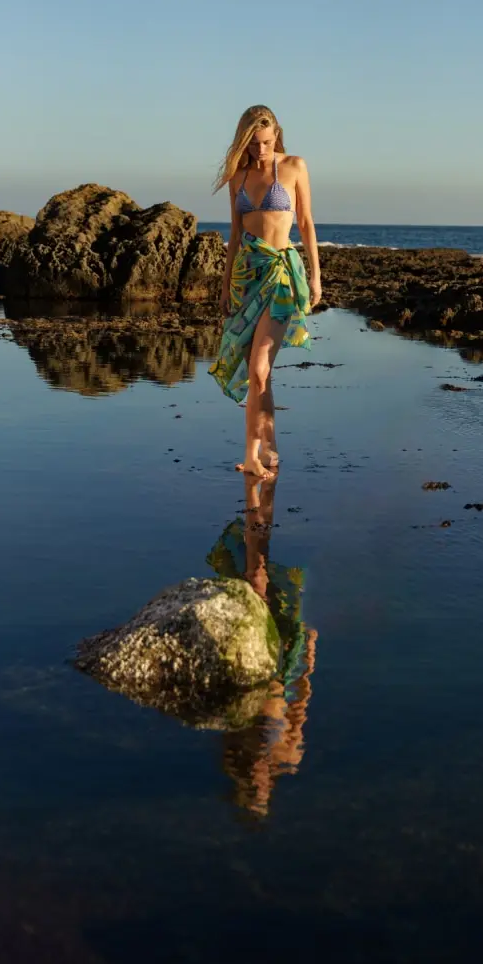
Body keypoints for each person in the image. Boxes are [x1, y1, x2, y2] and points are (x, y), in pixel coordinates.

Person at [208, 105, 322, 478]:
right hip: (247, 276)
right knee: (262, 375)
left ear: (277, 135)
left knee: (258, 369)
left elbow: (305, 223)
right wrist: (225, 287)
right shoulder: (237, 177)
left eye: (267, 142)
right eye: (254, 143)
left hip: (281, 277)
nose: (261, 150)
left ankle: (252, 456)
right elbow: (235, 236)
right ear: (244, 140)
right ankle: (270, 447)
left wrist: (317, 277)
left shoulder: (294, 167)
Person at [206, 473, 318, 819]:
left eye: (255, 790)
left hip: (260, 673)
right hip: (277, 672)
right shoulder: (288, 756)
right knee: (268, 596)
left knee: (260, 593)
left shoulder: (236, 751)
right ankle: (255, 529)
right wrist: (308, 656)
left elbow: (226, 714)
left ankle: (254, 530)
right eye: (261, 792)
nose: (260, 784)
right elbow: (299, 707)